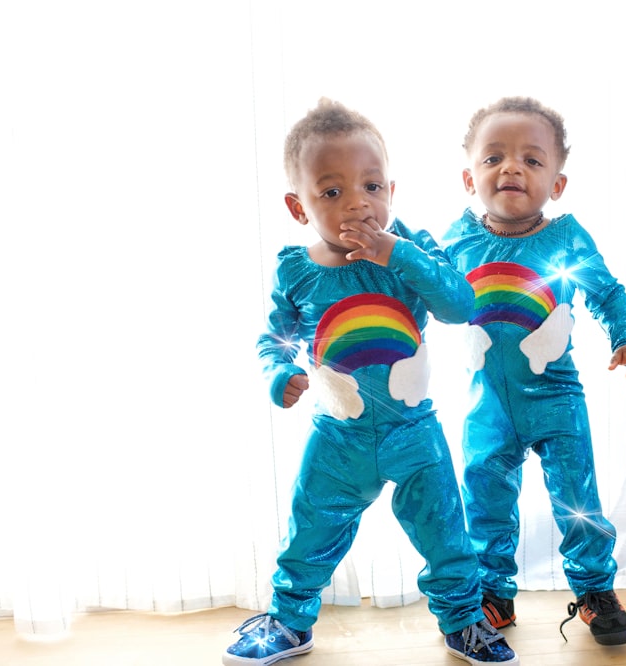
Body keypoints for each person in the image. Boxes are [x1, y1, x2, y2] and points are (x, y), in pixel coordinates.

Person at [221, 99, 518, 666]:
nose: (358, 202)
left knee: (445, 532)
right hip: (338, 439)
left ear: (391, 191)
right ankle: (289, 620)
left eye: (372, 186)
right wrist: (280, 373)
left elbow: (460, 304)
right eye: (332, 193)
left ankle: (463, 620)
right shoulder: (297, 270)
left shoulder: (411, 248)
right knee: (310, 531)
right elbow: (273, 340)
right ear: (297, 205)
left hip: (414, 433)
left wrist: (400, 255)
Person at [440, 96, 626, 647]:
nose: (511, 167)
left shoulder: (566, 238)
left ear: (556, 185)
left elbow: (606, 292)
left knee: (575, 496)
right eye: (494, 158)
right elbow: (421, 292)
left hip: (556, 399)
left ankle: (594, 590)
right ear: (470, 176)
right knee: (484, 494)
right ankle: (493, 592)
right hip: (486, 401)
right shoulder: (455, 241)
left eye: (532, 160)